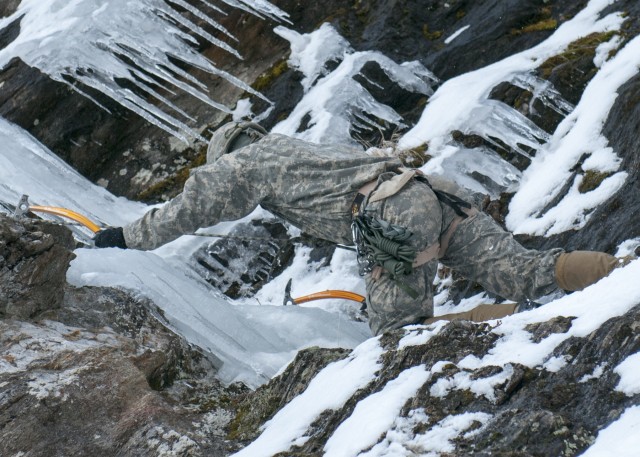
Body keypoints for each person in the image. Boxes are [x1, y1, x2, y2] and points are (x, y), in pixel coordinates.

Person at [94, 122, 630, 335]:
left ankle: (522, 326)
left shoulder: (244, 164)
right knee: (527, 271)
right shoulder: (305, 150)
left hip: (391, 216)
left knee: (402, 334)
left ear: (227, 152)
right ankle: (624, 280)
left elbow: (191, 208)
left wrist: (124, 238)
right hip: (433, 193)